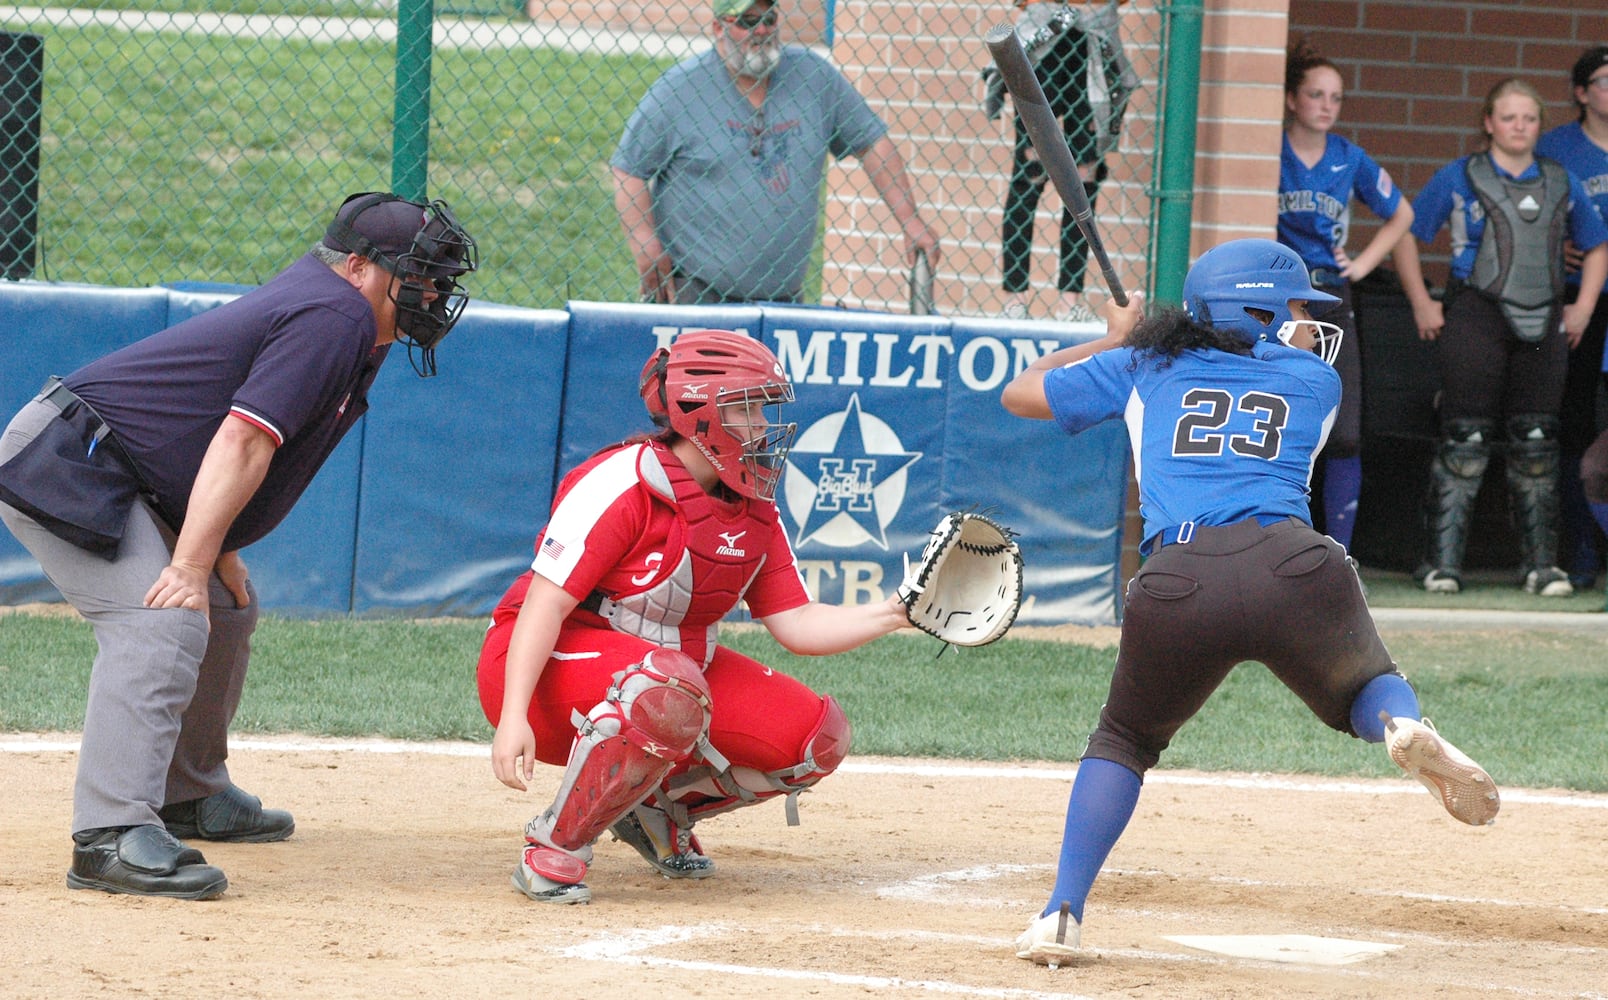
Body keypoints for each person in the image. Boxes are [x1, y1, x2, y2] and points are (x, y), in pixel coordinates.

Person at [1000, 238, 1500, 967]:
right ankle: (1399, 723)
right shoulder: (1310, 378)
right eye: (1295, 306)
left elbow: (1019, 391)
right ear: (1258, 310)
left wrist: (1115, 338)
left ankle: (1061, 913)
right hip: (1295, 565)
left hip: (1179, 581)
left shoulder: (1147, 365)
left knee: (1125, 741)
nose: (1305, 322)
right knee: (1365, 682)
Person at [0, 192, 477, 899]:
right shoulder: (336, 313)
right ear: (356, 266)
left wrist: (215, 557)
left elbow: (222, 437)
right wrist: (189, 561)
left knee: (224, 608)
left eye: (438, 280)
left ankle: (185, 794)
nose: (431, 294)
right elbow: (246, 437)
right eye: (418, 275)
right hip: (77, 461)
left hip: (128, 467)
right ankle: (107, 835)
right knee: (159, 621)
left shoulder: (353, 318)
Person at [476, 329, 911, 905]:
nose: (763, 426)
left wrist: (894, 614)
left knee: (813, 739)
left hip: (662, 678)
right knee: (668, 685)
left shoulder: (754, 506)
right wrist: (512, 717)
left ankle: (651, 807)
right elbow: (544, 604)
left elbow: (797, 625)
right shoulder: (624, 480)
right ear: (699, 413)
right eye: (749, 408)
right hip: (538, 667)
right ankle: (555, 846)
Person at [1394, 78, 1608, 596]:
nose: (1519, 127)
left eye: (1529, 119)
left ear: (1539, 125)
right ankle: (1440, 564)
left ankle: (1540, 567)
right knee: (1464, 439)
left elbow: (1596, 245)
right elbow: (1406, 230)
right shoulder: (1460, 176)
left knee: (1537, 440)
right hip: (1475, 312)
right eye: (1508, 118)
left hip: (1545, 317)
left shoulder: (1560, 179)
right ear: (1488, 122)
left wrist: (1582, 307)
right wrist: (1423, 301)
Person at [610, 0, 940, 305]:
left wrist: (911, 221)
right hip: (697, 295)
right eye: (747, 20)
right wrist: (645, 243)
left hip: (782, 299)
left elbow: (872, 143)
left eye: (769, 18)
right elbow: (629, 169)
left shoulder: (814, 78)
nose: (762, 30)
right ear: (717, 28)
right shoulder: (679, 89)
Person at [1277, 37, 1415, 553]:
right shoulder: (1271, 149)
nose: (1327, 106)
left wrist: (1361, 263)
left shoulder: (1348, 157)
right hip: (1278, 300)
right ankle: (1281, 540)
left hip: (1332, 295)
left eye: (1336, 98)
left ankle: (1340, 553)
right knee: (1284, 417)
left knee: (1346, 429)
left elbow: (1402, 215)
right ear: (1293, 99)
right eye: (1316, 95)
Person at [984, 0, 1135, 322]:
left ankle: (1070, 301)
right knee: (1029, 172)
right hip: (1044, 34)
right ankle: (1015, 300)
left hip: (1094, 34)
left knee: (1084, 178)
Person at [1538, 46, 1608, 591]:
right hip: (1578, 299)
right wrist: (1551, 247)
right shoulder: (1555, 149)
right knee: (1574, 422)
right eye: (1605, 81)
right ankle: (1581, 551)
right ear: (1581, 92)